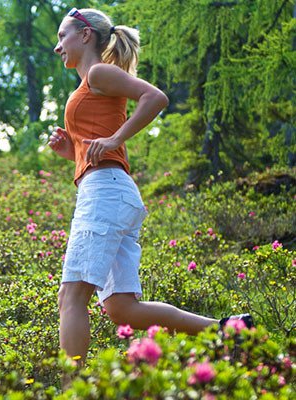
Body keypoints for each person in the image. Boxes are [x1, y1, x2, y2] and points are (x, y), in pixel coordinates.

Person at [47, 7, 252, 366]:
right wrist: (73, 151)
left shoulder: (99, 72)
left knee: (71, 296)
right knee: (122, 308)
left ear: (85, 35)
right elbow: (101, 152)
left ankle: (71, 387)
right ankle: (228, 329)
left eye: (62, 36)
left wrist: (112, 139)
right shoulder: (90, 82)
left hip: (105, 194)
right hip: (111, 189)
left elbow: (155, 98)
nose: (57, 46)